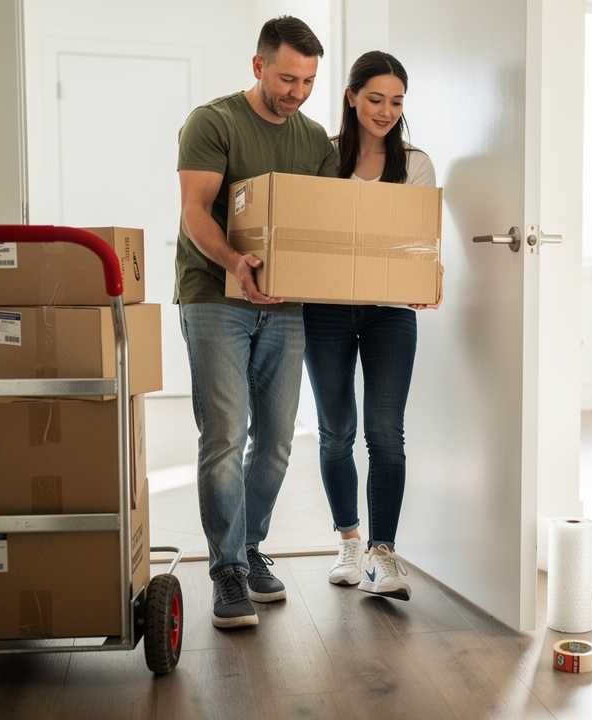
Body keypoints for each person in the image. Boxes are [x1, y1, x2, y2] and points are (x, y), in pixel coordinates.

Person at [175, 16, 337, 629]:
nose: (296, 92)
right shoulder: (213, 122)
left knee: (272, 441)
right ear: (258, 66)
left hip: (284, 304)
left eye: (308, 81)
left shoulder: (316, 139)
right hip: (215, 297)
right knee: (223, 435)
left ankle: (248, 546)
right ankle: (225, 571)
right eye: (286, 77)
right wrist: (237, 262)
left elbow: (320, 225)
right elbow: (195, 211)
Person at [304, 51, 441, 602]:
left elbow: (420, 241)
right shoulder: (323, 157)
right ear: (352, 97)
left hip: (390, 312)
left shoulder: (415, 163)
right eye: (376, 98)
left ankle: (383, 555)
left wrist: (430, 275)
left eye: (397, 101)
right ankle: (349, 543)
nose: (386, 111)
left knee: (385, 432)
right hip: (326, 309)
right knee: (335, 430)